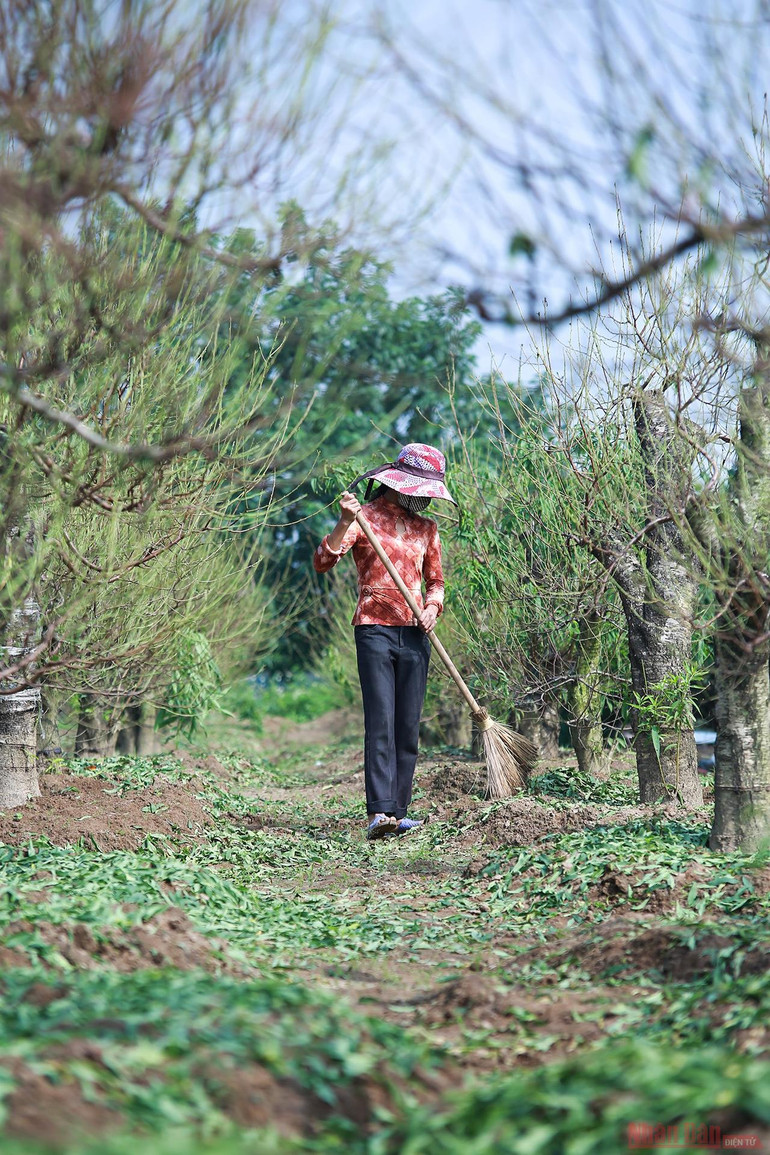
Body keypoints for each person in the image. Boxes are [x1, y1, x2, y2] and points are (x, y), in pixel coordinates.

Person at [313, 443, 457, 840]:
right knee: (381, 722)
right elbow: (323, 561)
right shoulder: (366, 518)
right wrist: (344, 521)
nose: (426, 500)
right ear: (401, 486)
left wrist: (433, 607)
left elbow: (437, 582)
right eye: (421, 491)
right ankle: (378, 811)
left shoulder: (428, 530)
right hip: (373, 628)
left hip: (415, 633)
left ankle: (399, 809)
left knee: (407, 726)